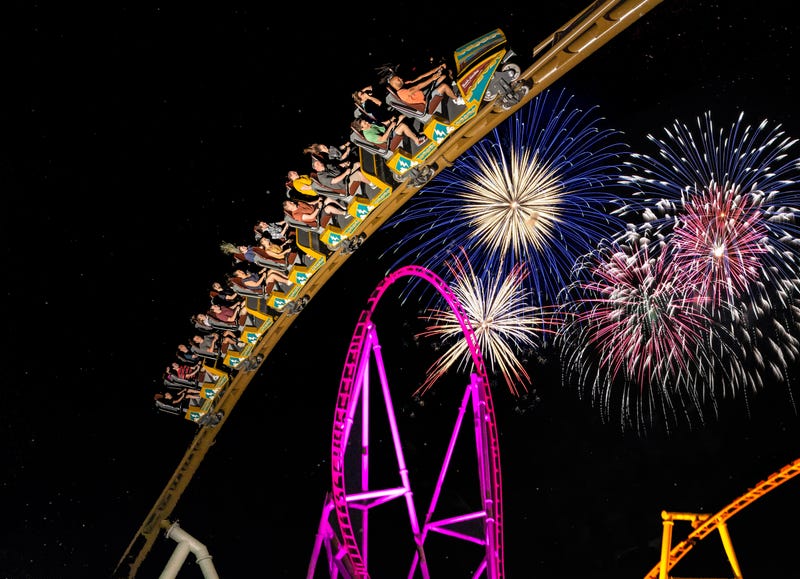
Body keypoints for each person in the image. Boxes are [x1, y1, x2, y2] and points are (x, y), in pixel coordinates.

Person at [387, 63, 463, 108]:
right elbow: (418, 87)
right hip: (426, 99)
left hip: (427, 92)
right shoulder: (402, 93)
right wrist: (432, 78)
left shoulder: (405, 84)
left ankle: (452, 89)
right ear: (394, 85)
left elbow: (421, 77)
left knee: (443, 76)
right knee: (444, 86)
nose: (401, 78)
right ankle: (457, 99)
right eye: (398, 79)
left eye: (399, 78)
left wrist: (438, 68)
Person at [350, 117, 425, 148]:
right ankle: (416, 140)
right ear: (362, 128)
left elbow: (381, 125)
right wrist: (390, 127)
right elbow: (383, 139)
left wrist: (390, 121)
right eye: (365, 123)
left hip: (388, 131)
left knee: (401, 117)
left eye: (365, 121)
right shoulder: (369, 135)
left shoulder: (369, 125)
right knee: (402, 126)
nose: (367, 122)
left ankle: (415, 134)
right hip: (389, 139)